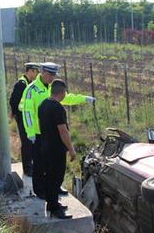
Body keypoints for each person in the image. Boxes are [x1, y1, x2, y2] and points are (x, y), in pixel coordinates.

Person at [20, 62, 94, 199]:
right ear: (42, 72)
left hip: (51, 134)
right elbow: (27, 113)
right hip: (37, 134)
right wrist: (30, 133)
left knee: (53, 164)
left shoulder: (51, 88)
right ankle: (40, 190)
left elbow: (66, 97)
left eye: (54, 75)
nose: (52, 78)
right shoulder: (32, 90)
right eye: (50, 74)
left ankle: (54, 187)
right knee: (39, 164)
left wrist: (84, 98)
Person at [38, 79, 77, 219]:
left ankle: (52, 203)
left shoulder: (43, 105)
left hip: (45, 147)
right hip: (56, 150)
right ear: (62, 92)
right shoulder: (57, 108)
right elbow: (63, 131)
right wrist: (71, 149)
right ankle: (55, 209)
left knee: (49, 177)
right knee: (56, 178)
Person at [9, 62, 40, 177]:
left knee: (31, 142)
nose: (36, 74)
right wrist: (15, 114)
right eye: (35, 71)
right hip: (22, 117)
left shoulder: (29, 83)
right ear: (29, 71)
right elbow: (13, 101)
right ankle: (27, 169)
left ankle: (31, 165)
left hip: (27, 116)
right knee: (26, 142)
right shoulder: (21, 84)